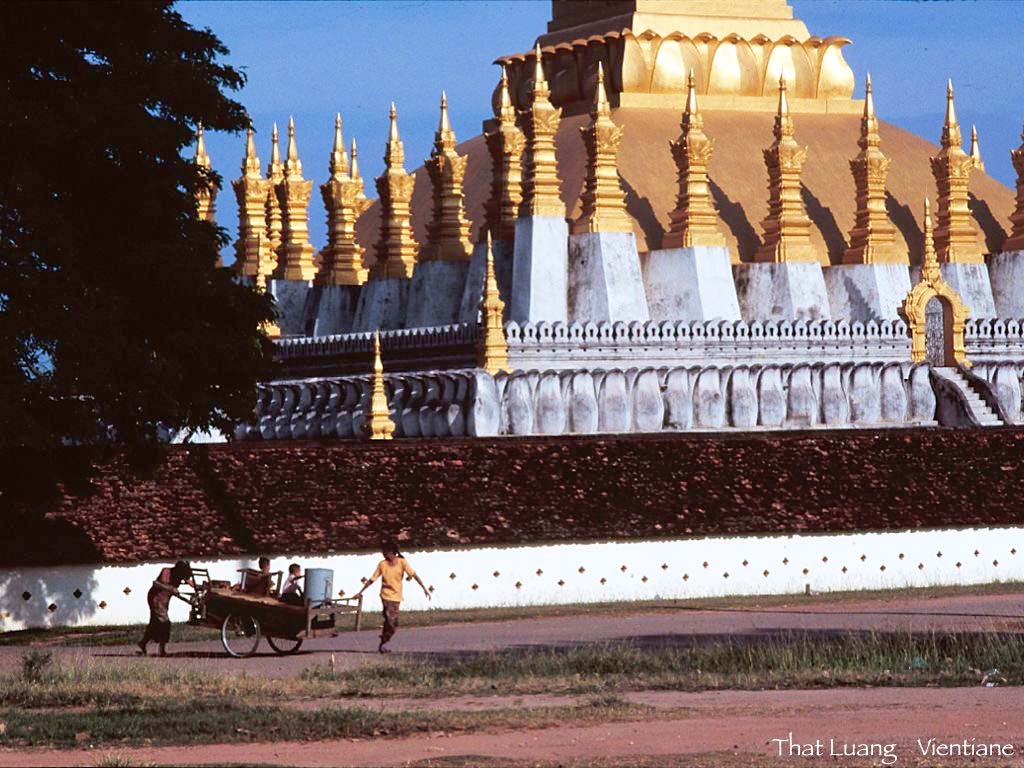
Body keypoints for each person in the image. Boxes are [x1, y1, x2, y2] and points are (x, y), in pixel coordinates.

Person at [354, 543, 430, 653]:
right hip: (385, 596)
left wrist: (424, 588)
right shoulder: (382, 564)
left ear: (392, 552)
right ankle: (383, 642)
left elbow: (413, 574)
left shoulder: (402, 562)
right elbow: (372, 579)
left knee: (394, 624)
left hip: (397, 597)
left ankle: (384, 641)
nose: (384, 555)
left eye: (385, 552)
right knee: (390, 620)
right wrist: (360, 592)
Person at [138, 560, 194, 657]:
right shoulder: (166, 571)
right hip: (156, 599)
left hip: (164, 600)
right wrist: (170, 589)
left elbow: (190, 582)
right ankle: (162, 649)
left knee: (154, 622)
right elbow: (156, 584)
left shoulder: (181, 574)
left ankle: (143, 643)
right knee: (165, 623)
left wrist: (199, 587)